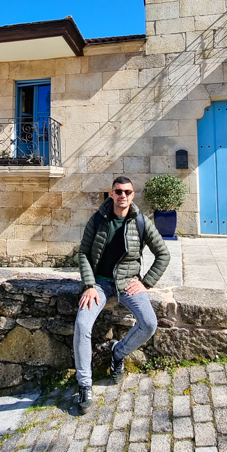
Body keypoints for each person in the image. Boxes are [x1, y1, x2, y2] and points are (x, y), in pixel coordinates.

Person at [74, 176, 170, 413]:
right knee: (82, 325)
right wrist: (88, 284)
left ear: (133, 195)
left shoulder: (141, 221)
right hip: (99, 284)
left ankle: (118, 352)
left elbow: (163, 254)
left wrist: (146, 283)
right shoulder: (98, 219)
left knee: (149, 324)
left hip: (128, 284)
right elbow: (84, 253)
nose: (122, 196)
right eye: (118, 191)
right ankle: (84, 384)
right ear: (111, 194)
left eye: (127, 192)